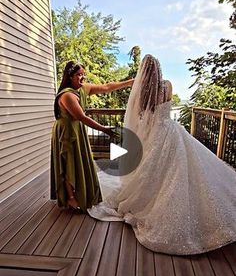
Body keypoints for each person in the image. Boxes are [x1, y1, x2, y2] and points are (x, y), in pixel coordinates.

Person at [88, 54, 236, 255]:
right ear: (159, 69)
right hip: (170, 130)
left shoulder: (141, 91)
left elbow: (141, 117)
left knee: (154, 170)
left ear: (143, 72)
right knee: (179, 168)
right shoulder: (167, 85)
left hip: (154, 133)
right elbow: (165, 106)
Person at [50, 61, 134, 212]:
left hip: (76, 129)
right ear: (69, 77)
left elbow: (106, 87)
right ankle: (71, 198)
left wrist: (129, 83)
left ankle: (81, 192)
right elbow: (82, 117)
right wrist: (105, 129)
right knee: (68, 163)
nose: (82, 77)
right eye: (78, 75)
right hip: (67, 132)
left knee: (78, 162)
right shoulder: (68, 95)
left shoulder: (83, 89)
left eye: (83, 74)